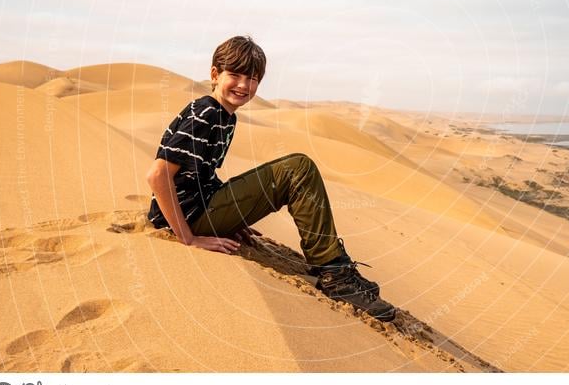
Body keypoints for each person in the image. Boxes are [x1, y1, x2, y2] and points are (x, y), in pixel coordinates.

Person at [145, 35, 395, 322]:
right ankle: (334, 273)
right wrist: (188, 238)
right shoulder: (206, 112)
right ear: (215, 74)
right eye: (235, 75)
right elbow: (158, 175)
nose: (243, 85)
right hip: (185, 218)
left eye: (252, 78)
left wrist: (233, 217)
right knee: (297, 168)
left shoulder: (225, 116)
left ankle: (334, 266)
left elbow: (199, 175)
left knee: (294, 168)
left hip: (199, 209)